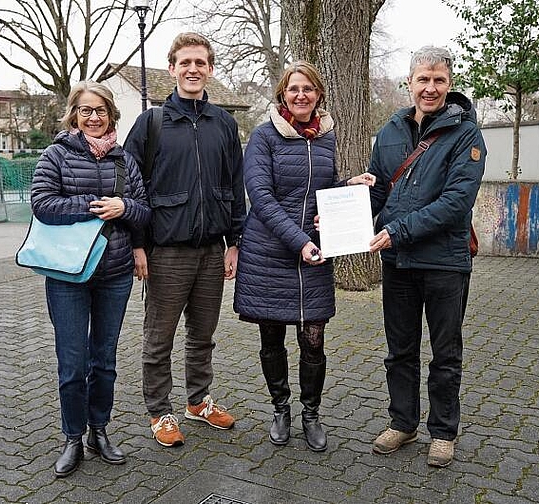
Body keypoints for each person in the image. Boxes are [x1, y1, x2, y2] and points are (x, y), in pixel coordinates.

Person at [233, 61, 375, 452]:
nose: (301, 95)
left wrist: (349, 186)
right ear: (283, 94)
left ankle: (311, 413)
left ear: (319, 95)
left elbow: (321, 188)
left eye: (308, 89)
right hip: (270, 254)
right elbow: (261, 198)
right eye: (294, 88)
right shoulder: (264, 137)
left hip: (313, 253)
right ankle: (281, 408)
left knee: (313, 340)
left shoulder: (327, 137)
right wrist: (299, 240)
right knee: (272, 337)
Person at [123, 32, 246, 447]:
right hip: (166, 251)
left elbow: (235, 184)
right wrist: (137, 244)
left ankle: (199, 401)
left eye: (201, 62)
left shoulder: (224, 123)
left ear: (210, 68)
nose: (193, 69)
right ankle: (159, 411)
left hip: (212, 249)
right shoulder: (151, 123)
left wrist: (235, 241)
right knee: (159, 338)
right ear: (172, 67)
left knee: (203, 334)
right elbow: (130, 187)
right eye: (185, 62)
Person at [366, 46, 486, 467]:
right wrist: (350, 210)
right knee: (399, 349)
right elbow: (380, 191)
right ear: (410, 82)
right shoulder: (391, 130)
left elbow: (456, 202)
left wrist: (395, 230)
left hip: (444, 262)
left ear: (449, 84)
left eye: (439, 80)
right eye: (423, 79)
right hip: (398, 264)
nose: (430, 88)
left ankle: (443, 431)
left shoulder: (466, 133)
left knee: (445, 352)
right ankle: (402, 423)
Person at [30, 81, 151, 477]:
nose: (94, 117)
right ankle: (72, 437)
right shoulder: (56, 155)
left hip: (114, 274)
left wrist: (125, 208)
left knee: (105, 360)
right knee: (72, 361)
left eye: (101, 110)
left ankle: (99, 430)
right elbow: (42, 204)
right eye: (86, 110)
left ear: (111, 115)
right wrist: (93, 206)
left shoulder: (123, 160)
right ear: (74, 115)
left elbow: (144, 210)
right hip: (68, 274)